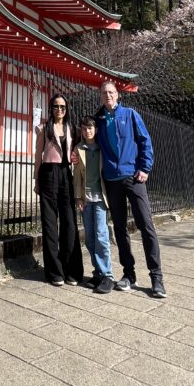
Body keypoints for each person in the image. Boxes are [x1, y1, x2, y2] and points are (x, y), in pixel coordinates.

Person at [94, 80, 167, 298]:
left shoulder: (130, 114)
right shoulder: (98, 120)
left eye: (111, 92)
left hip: (134, 177)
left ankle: (156, 277)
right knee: (119, 228)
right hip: (112, 179)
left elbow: (145, 141)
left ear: (117, 95)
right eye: (104, 92)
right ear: (100, 96)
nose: (108, 95)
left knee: (146, 225)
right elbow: (89, 143)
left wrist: (145, 167)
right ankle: (129, 274)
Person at [34, 93, 84, 287]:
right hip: (47, 173)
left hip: (66, 173)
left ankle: (72, 270)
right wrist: (36, 179)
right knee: (49, 223)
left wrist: (77, 156)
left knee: (69, 221)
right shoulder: (43, 129)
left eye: (63, 107)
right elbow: (38, 155)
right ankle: (54, 271)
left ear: (67, 109)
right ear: (51, 108)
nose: (59, 110)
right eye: (56, 106)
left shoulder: (73, 128)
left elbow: (84, 142)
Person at [72, 115, 114, 294]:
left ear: (95, 130)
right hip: (86, 198)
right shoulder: (78, 149)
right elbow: (77, 176)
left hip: (100, 197)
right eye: (84, 128)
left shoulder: (103, 148)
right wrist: (78, 197)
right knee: (89, 238)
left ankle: (107, 275)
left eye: (90, 128)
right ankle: (97, 272)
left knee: (101, 235)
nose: (87, 131)